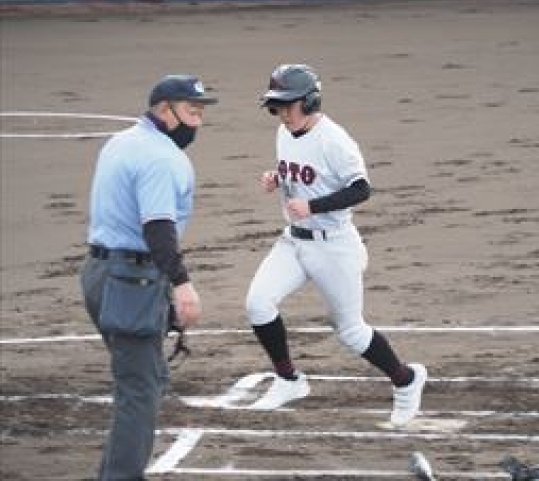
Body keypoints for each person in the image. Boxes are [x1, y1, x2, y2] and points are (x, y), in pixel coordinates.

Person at [245, 63, 427, 427]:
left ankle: (406, 380)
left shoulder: (335, 140)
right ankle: (289, 380)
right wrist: (277, 178)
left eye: (287, 105)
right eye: (276, 106)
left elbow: (361, 189)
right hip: (294, 241)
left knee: (351, 331)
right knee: (258, 304)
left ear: (310, 102)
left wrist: (313, 206)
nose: (281, 113)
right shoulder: (285, 133)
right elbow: (302, 172)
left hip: (334, 247)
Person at [80, 74, 218, 480]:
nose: (197, 121)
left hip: (98, 274)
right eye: (191, 111)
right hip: (131, 281)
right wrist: (182, 283)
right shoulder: (161, 158)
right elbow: (157, 229)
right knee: (139, 390)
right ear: (164, 109)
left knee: (147, 377)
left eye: (201, 112)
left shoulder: (120, 141)